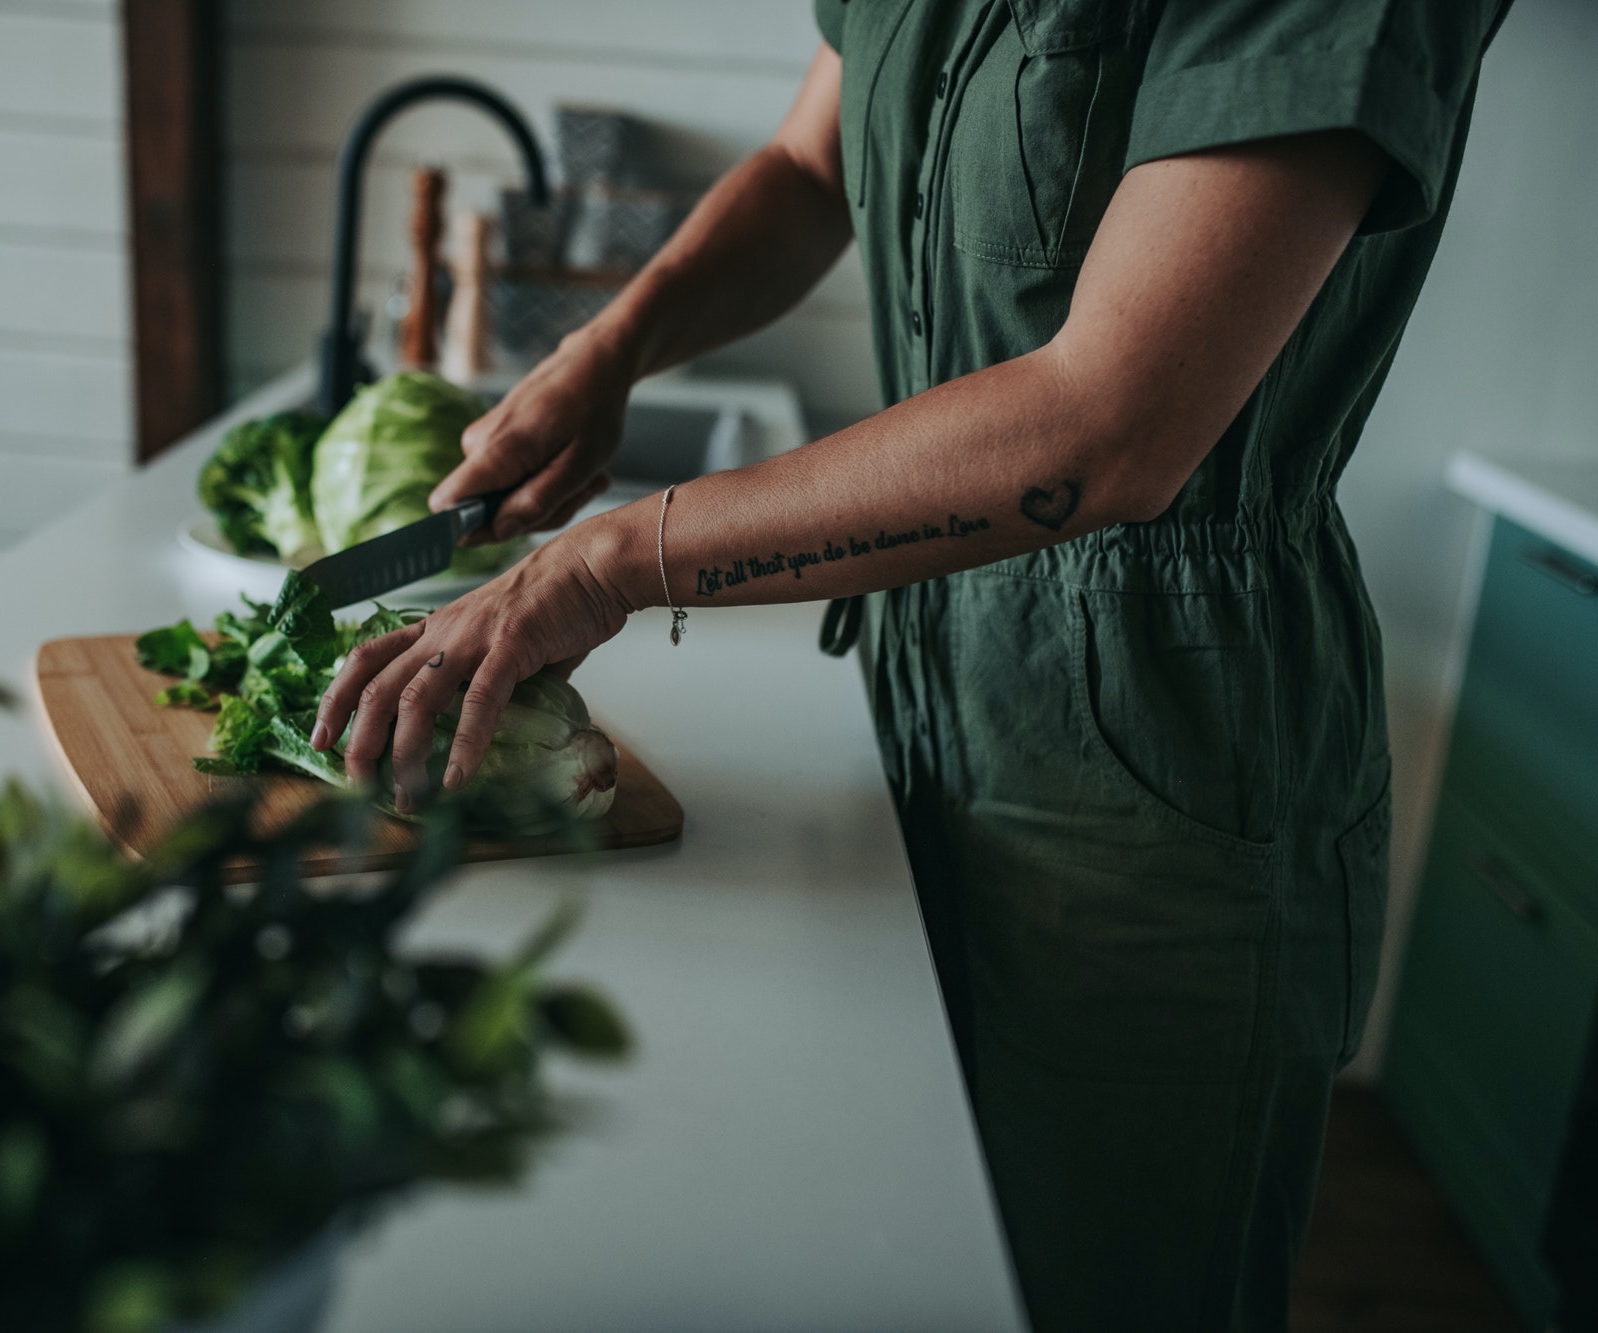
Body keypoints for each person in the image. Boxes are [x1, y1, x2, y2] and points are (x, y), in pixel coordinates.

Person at [313, 2, 1513, 1326]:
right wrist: (612, 348)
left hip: (1164, 756)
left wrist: (610, 561)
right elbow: (806, 168)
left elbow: (1107, 425)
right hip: (917, 683)